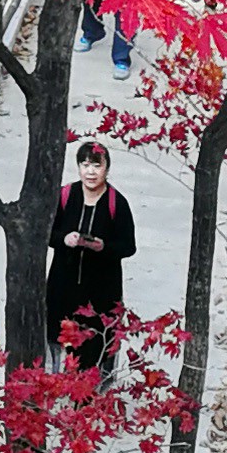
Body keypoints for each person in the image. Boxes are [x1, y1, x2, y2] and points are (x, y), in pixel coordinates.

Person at [44, 138, 136, 377]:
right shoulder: (65, 195)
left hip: (101, 290)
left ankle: (95, 383)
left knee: (95, 341)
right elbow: (46, 233)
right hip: (64, 284)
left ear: (106, 169)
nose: (91, 172)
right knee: (59, 333)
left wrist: (103, 247)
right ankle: (56, 376)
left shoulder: (117, 203)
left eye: (97, 165)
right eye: (85, 165)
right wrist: (65, 239)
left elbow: (128, 246)